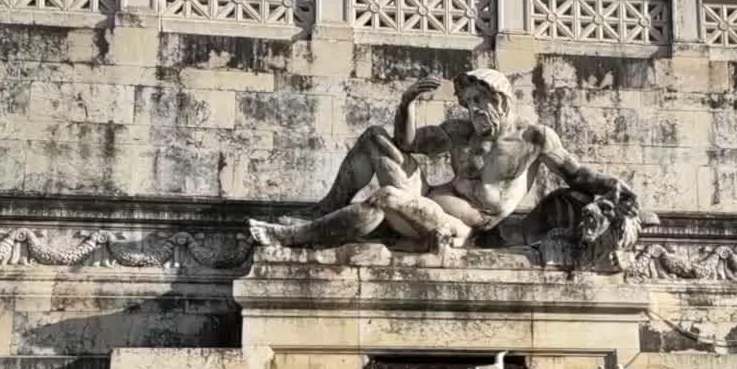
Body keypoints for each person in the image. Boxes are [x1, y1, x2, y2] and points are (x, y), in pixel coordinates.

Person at [250, 68, 636, 254]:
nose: (473, 110)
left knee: (387, 197)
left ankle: (294, 238)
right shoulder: (459, 132)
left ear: (500, 100)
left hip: (461, 227)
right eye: (467, 103)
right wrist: (407, 104)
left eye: (479, 102)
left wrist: (610, 186)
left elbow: (575, 173)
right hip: (429, 195)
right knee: (374, 139)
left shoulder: (534, 138)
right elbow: (408, 141)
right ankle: (322, 210)